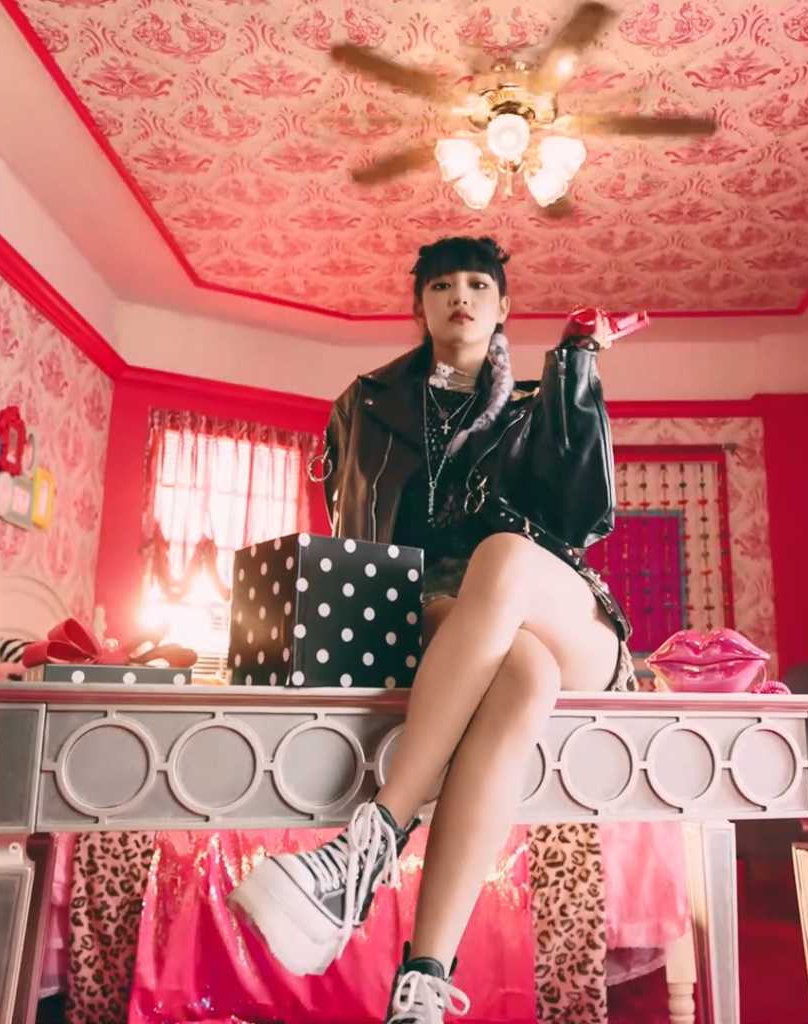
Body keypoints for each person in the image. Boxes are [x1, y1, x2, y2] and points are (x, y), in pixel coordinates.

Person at [229, 236, 647, 1022]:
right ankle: (422, 983)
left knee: (505, 557)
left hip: (565, 614)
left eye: (478, 284)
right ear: (419, 306)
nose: (461, 295)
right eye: (443, 285)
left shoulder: (538, 401)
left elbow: (583, 515)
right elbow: (355, 530)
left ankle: (370, 843)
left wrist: (574, 365)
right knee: (523, 675)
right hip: (445, 613)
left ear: (503, 306)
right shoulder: (367, 404)